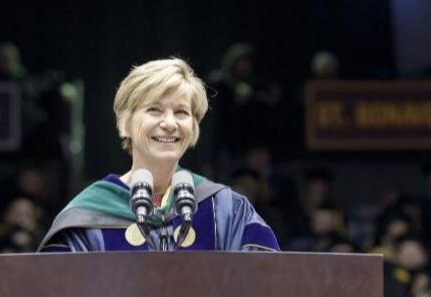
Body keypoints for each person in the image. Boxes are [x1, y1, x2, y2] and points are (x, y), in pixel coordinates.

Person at [38, 58, 279, 252]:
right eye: (154, 110)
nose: (169, 123)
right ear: (124, 124)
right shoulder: (85, 216)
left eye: (181, 112)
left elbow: (267, 287)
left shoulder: (226, 209)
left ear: (194, 127)